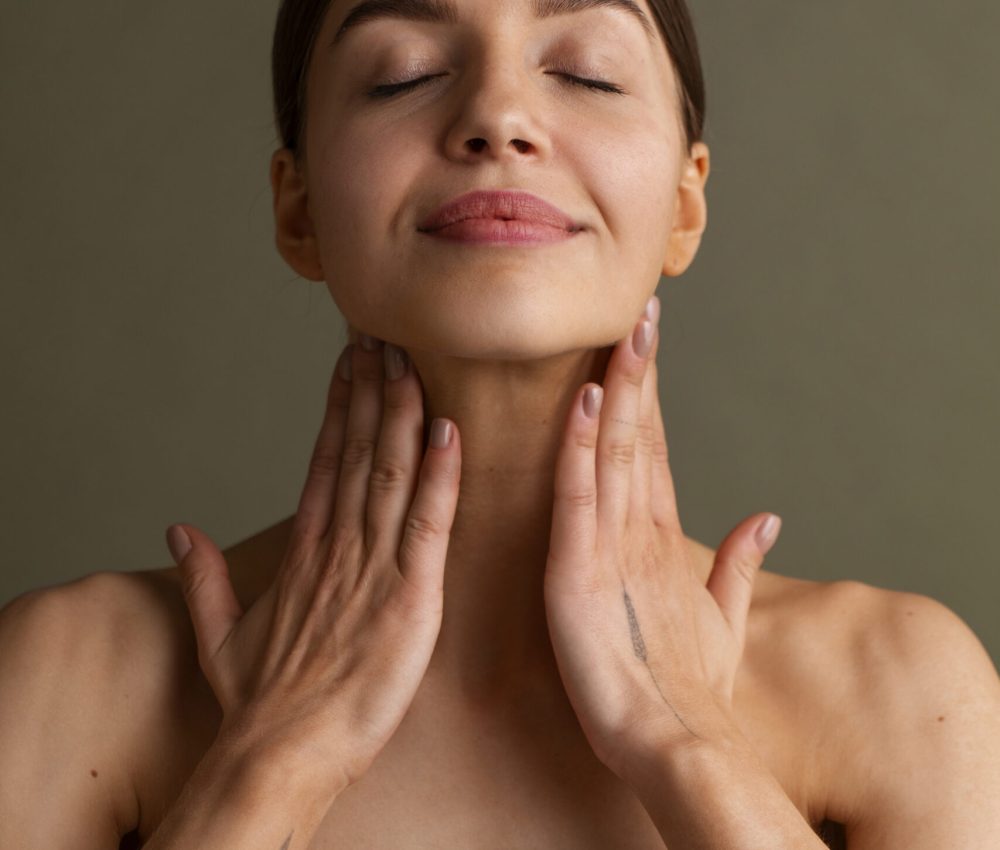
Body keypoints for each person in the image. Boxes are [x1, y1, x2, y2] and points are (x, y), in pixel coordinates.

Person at [1, 0, 998, 847]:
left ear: (687, 205)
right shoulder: (77, 675)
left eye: (588, 72)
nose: (499, 117)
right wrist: (268, 766)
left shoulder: (897, 686)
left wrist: (691, 748)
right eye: (403, 74)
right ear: (296, 208)